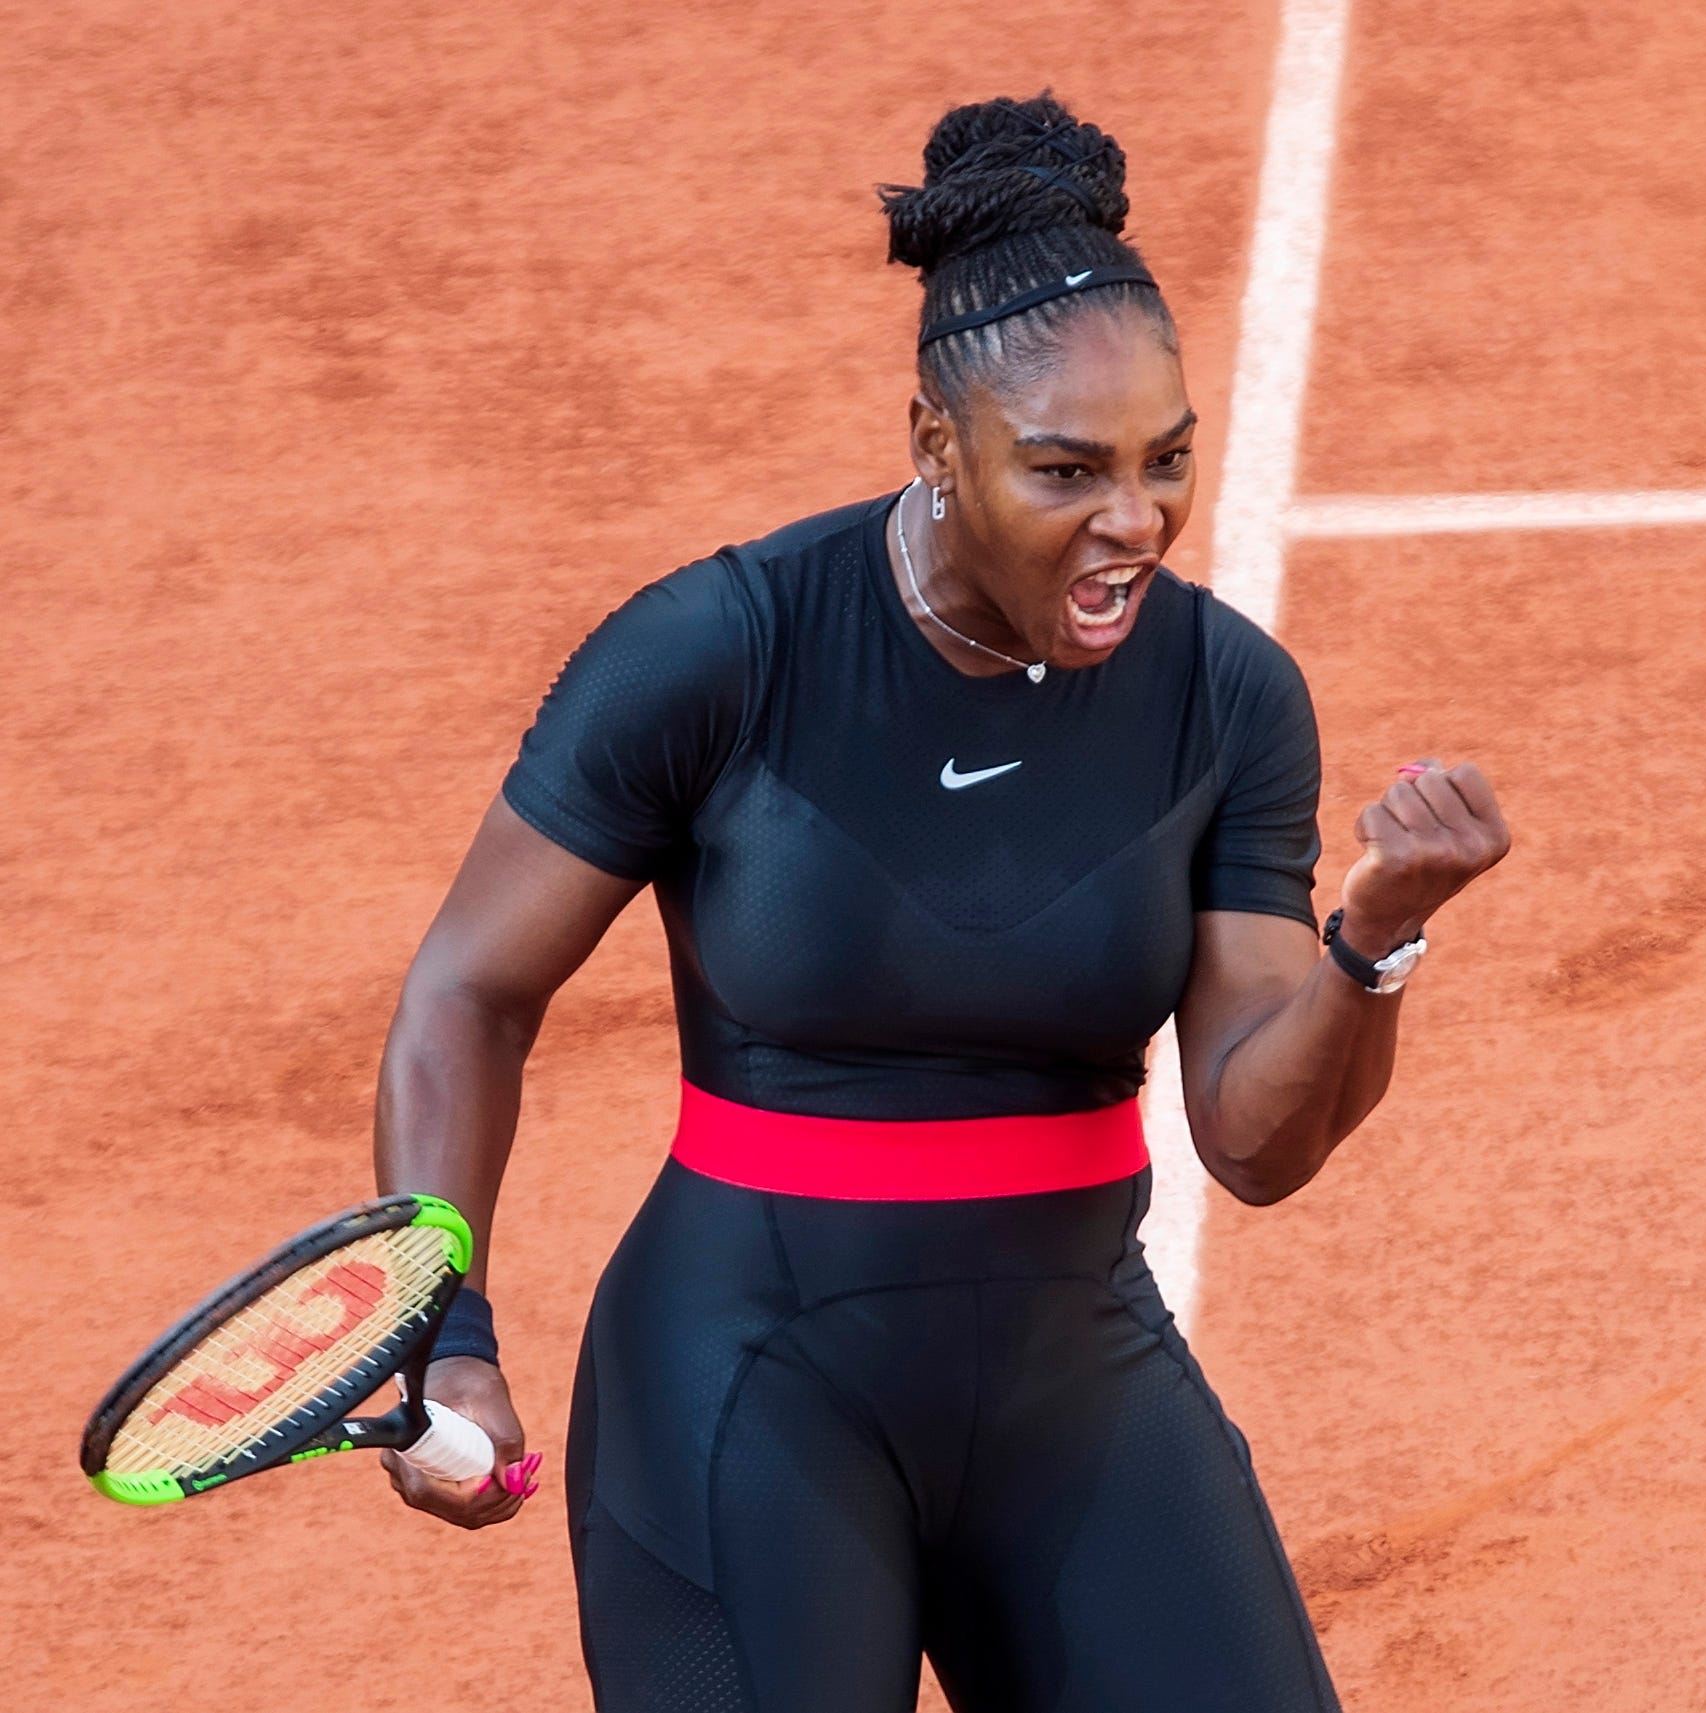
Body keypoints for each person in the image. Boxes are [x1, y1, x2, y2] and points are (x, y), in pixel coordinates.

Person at [371, 90, 1510, 1712]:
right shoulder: (724, 648)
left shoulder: (1226, 696)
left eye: (1165, 461)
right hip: (743, 1392)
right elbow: (468, 995)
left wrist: (1372, 942)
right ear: (935, 445)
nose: (1134, 522)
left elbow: (1254, 1144)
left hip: (1074, 1386)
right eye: (1068, 469)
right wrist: (446, 1324)